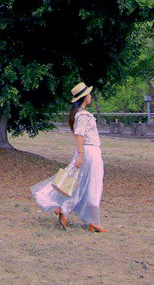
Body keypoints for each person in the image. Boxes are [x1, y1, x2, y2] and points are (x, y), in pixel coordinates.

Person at [30, 82, 106, 233]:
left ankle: (65, 210)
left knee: (79, 183)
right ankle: (93, 220)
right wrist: (81, 155)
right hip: (89, 151)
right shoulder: (83, 115)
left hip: (89, 151)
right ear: (84, 97)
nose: (91, 96)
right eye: (89, 94)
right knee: (91, 184)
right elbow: (80, 135)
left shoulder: (81, 114)